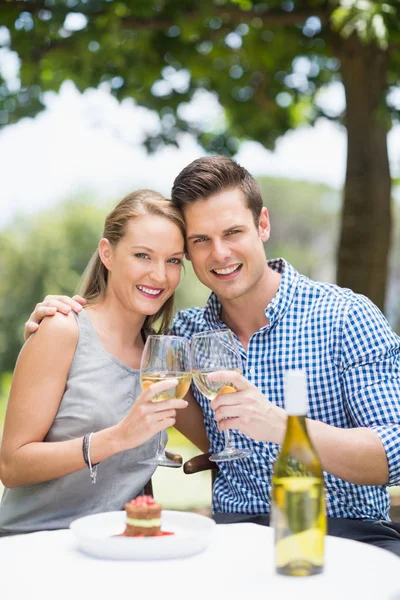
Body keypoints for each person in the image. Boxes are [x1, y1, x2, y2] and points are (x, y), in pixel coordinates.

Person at [23, 157, 400, 556]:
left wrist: (284, 427)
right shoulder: (180, 338)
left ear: (263, 225)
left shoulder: (346, 316)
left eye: (233, 232)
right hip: (231, 538)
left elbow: (393, 454)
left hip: (344, 532)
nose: (219, 253)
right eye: (200, 240)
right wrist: (58, 320)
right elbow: (112, 341)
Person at [0, 189, 208, 536]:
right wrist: (117, 438)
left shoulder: (162, 359)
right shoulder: (62, 329)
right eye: (143, 255)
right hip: (35, 545)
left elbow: (217, 443)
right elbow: (11, 465)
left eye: (173, 260)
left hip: (114, 549)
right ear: (107, 254)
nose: (160, 275)